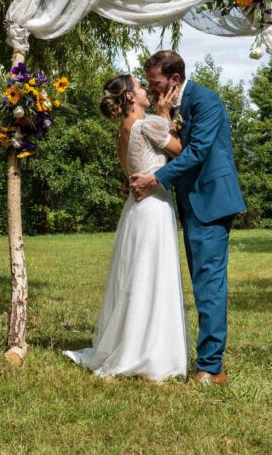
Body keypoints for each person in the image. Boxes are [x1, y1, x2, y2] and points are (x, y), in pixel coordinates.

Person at [129, 51, 246, 385]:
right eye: (148, 84)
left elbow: (196, 152)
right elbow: (163, 148)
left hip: (212, 201)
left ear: (175, 80)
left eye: (155, 83)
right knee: (201, 282)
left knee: (209, 283)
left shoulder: (205, 101)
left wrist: (156, 181)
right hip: (190, 204)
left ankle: (211, 367)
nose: (151, 90)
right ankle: (206, 359)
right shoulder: (167, 107)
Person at [64, 74, 188, 381]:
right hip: (154, 208)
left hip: (134, 209)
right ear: (131, 97)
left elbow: (137, 167)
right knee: (151, 276)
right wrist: (165, 114)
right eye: (142, 86)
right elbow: (180, 150)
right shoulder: (148, 125)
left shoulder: (123, 132)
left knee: (136, 276)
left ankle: (128, 342)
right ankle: (147, 350)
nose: (148, 90)